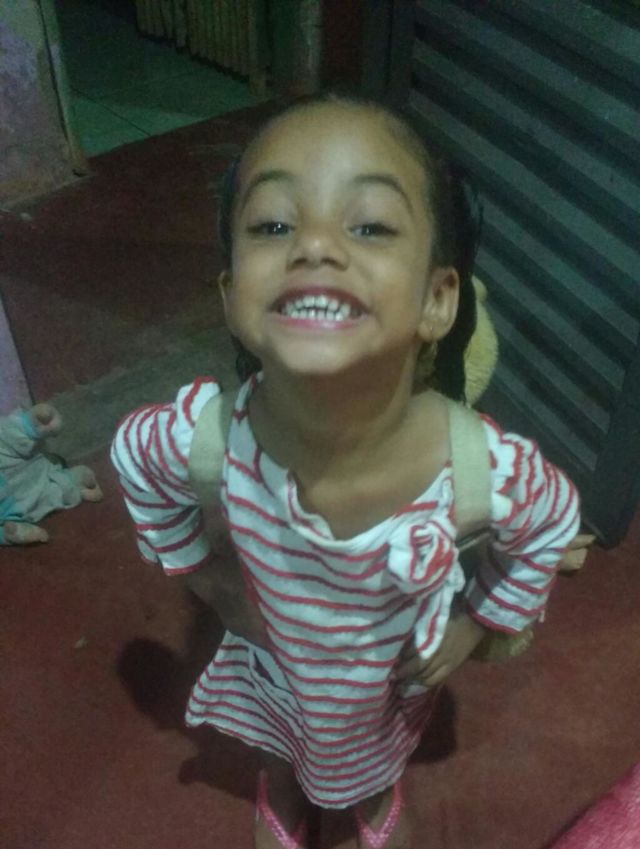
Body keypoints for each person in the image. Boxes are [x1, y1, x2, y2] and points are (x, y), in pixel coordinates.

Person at [111, 93, 581, 849]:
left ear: (436, 300)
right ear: (232, 297)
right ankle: (284, 785)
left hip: (384, 696)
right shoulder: (204, 441)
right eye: (273, 225)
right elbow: (133, 458)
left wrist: (476, 623)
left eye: (369, 225)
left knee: (371, 762)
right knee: (283, 743)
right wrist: (207, 577)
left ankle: (369, 795)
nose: (315, 246)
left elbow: (551, 521)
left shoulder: (481, 470)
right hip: (274, 675)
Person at [1, 402, 103, 545]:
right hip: (16, 499)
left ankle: (33, 425)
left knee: (45, 496)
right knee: (48, 495)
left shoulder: (45, 474)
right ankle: (32, 425)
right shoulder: (42, 466)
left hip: (15, 499)